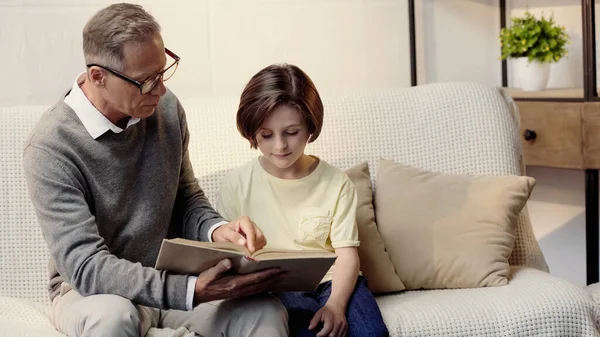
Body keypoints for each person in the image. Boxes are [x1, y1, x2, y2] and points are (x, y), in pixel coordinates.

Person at [22, 3, 288, 337]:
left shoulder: (166, 108)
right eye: (146, 81)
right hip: (93, 293)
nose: (161, 90)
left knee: (264, 311)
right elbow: (86, 266)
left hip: (172, 279)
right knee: (113, 317)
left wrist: (219, 231)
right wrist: (187, 290)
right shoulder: (50, 147)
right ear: (97, 77)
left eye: (163, 72)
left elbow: (187, 198)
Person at [216, 63, 389, 337]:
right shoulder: (236, 183)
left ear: (310, 126)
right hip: (276, 284)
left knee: (371, 333)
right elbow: (227, 254)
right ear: (252, 133)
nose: (280, 146)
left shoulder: (336, 182)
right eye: (266, 135)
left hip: (335, 282)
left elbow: (346, 254)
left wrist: (336, 305)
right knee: (305, 331)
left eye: (291, 132)